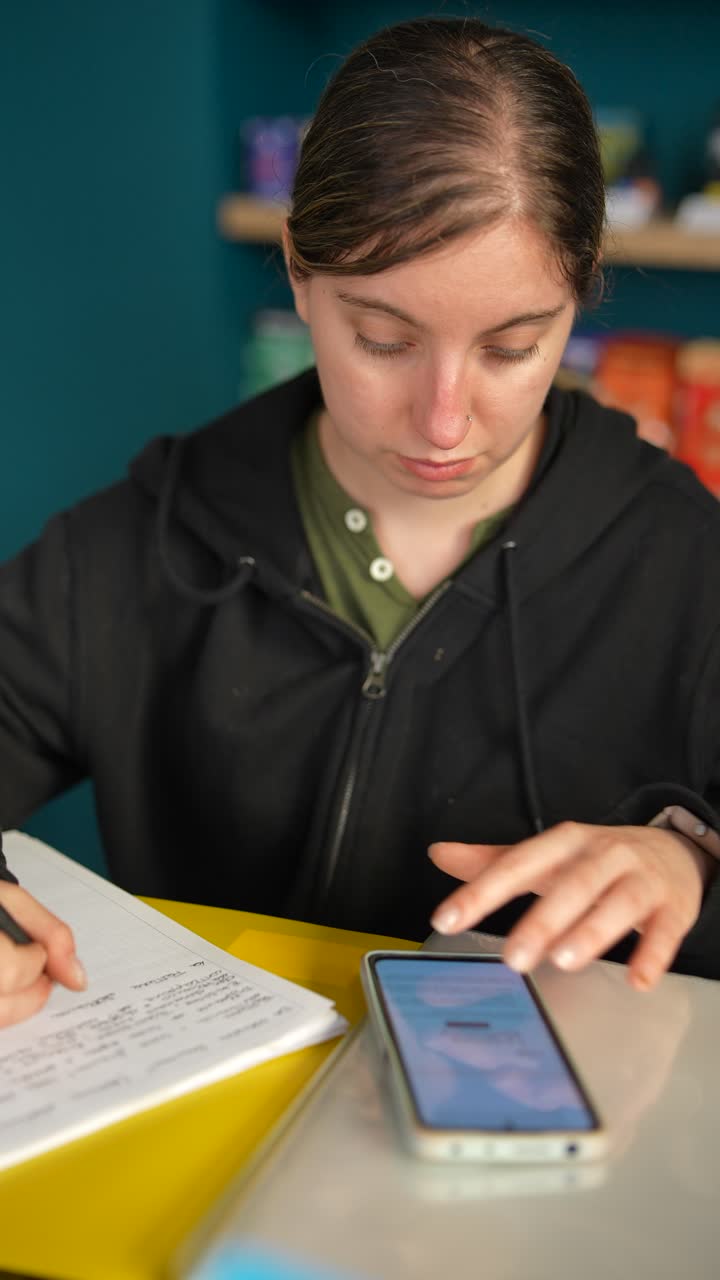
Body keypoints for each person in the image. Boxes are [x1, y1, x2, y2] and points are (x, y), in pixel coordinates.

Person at [1, 16, 720, 1031]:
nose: (443, 421)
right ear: (298, 269)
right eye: (383, 338)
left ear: (579, 291)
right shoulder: (137, 544)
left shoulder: (686, 558)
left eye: (514, 347)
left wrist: (690, 853)